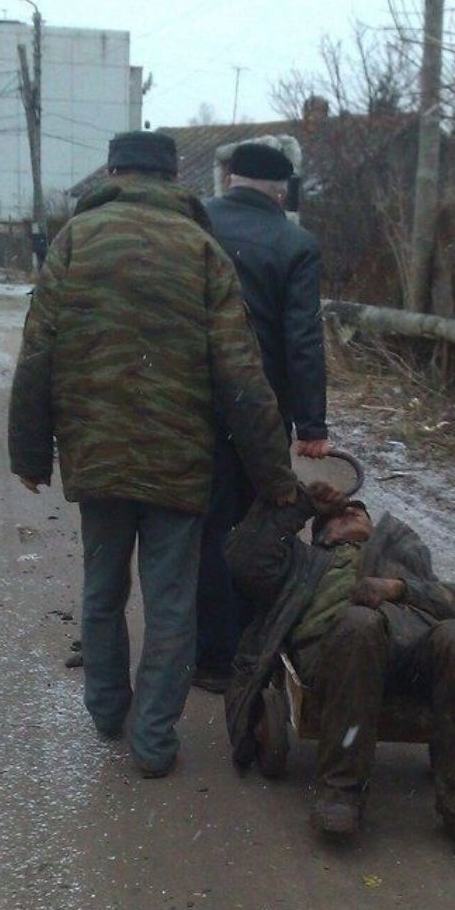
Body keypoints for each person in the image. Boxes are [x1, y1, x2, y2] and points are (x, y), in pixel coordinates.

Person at [8, 130, 296, 778]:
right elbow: (242, 376)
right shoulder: (203, 250)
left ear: (112, 170)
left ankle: (108, 709)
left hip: (97, 454)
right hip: (180, 460)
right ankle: (154, 740)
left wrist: (31, 453)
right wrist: (275, 477)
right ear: (173, 181)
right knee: (171, 602)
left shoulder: (74, 243)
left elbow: (38, 353)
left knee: (103, 587)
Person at [223, 482, 455, 862]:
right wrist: (301, 505)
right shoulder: (303, 561)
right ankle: (341, 792)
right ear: (323, 535)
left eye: (359, 510)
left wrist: (398, 589)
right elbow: (243, 558)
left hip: (409, 649)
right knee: (360, 624)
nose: (351, 511)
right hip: (336, 653)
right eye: (339, 514)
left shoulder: (404, 566)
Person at [193, 139, 330, 694]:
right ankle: (249, 645)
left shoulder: (195, 227)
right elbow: (302, 339)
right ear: (281, 191)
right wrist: (312, 425)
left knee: (202, 528)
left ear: (230, 179)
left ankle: (206, 655)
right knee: (253, 528)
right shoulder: (295, 243)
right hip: (260, 410)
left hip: (194, 402)